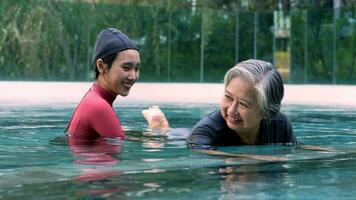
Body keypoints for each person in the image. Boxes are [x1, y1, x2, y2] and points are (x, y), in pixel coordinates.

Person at [142, 59, 298, 161]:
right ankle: (159, 127)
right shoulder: (205, 131)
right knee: (165, 134)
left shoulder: (280, 125)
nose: (231, 109)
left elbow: (296, 149)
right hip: (182, 139)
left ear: (267, 112)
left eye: (243, 104)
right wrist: (256, 158)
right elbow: (199, 152)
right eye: (228, 97)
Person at [65, 27, 140, 140]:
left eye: (137, 68)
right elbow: (116, 149)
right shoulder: (98, 106)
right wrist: (159, 131)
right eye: (126, 67)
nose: (133, 76)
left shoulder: (94, 99)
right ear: (101, 66)